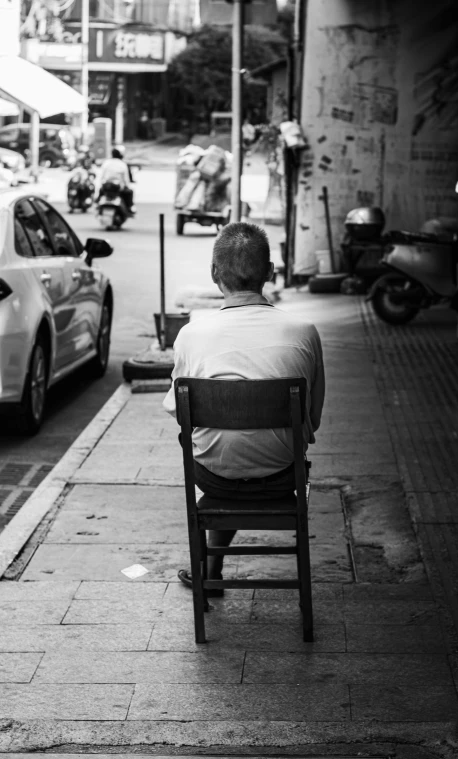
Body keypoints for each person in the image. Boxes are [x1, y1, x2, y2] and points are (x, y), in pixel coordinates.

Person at [163, 222, 325, 596]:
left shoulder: (191, 334)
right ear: (270, 272)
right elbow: (311, 421)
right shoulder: (304, 332)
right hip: (285, 474)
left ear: (214, 274)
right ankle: (211, 567)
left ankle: (210, 568)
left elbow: (178, 412)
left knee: (220, 444)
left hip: (213, 479)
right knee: (249, 443)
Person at [97, 147, 135, 214]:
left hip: (106, 186)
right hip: (117, 187)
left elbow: (101, 177)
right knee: (129, 192)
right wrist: (127, 185)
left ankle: (97, 204)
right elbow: (126, 179)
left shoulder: (106, 163)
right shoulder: (122, 164)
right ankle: (130, 207)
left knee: (100, 192)